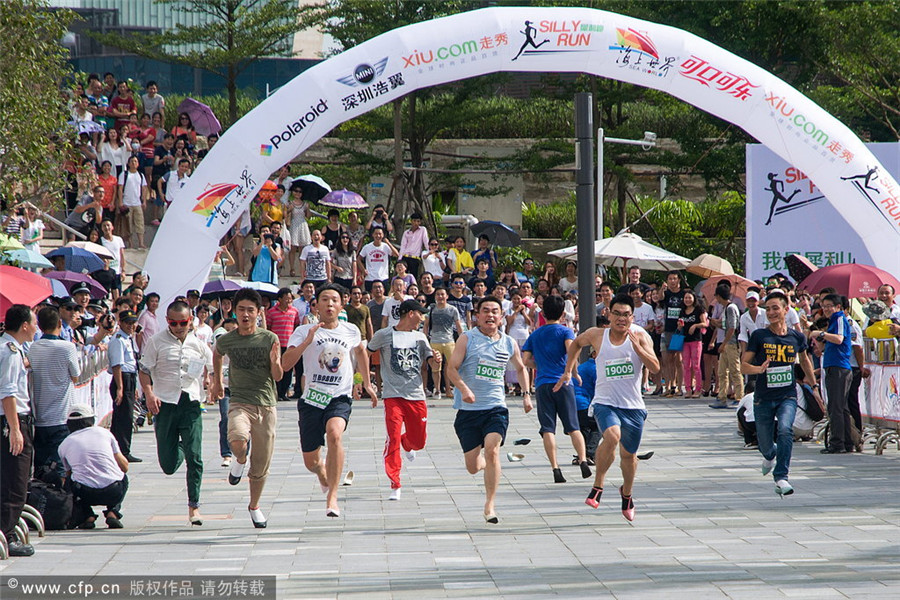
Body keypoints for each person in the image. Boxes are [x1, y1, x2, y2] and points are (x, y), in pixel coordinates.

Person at [559, 294, 660, 521]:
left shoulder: (641, 336)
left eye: (626, 315)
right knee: (612, 436)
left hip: (633, 406)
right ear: (608, 314)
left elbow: (654, 367)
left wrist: (639, 349)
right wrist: (569, 371)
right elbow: (575, 343)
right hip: (605, 402)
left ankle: (627, 494)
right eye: (617, 314)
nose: (621, 319)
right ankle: (598, 486)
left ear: (632, 317)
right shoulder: (597, 335)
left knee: (629, 456)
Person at [281, 284, 376, 517]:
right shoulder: (304, 331)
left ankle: (332, 497)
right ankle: (322, 472)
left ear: (341, 304)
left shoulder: (350, 330)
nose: (330, 304)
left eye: (334, 300)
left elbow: (361, 352)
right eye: (325, 299)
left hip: (338, 398)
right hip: (312, 400)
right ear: (317, 304)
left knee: (335, 435)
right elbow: (285, 364)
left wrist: (366, 383)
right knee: (311, 462)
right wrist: (307, 341)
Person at [446, 297, 532, 524]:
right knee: (473, 467)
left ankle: (490, 505)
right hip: (468, 411)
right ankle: (482, 463)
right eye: (485, 311)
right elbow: (451, 368)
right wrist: (463, 388)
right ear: (477, 315)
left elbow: (521, 368)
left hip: (496, 408)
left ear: (501, 316)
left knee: (493, 449)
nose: (490, 315)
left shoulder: (508, 342)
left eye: (495, 311)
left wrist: (526, 394)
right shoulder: (467, 339)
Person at [210, 288, 283, 528]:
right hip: (239, 401)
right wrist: (217, 381)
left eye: (250, 310)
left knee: (261, 464)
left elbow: (278, 376)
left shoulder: (269, 339)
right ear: (235, 311)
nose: (245, 314)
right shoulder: (227, 339)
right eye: (241, 309)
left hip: (266, 405)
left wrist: (274, 363)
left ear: (258, 313)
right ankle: (239, 460)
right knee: (238, 439)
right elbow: (217, 354)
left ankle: (254, 506)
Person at [139, 300, 213, 525]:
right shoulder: (156, 341)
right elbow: (144, 370)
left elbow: (213, 362)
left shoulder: (198, 343)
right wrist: (149, 394)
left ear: (190, 321)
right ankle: (180, 446)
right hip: (165, 405)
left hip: (190, 404)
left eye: (183, 322)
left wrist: (212, 379)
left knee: (196, 458)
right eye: (174, 323)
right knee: (169, 465)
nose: (179, 327)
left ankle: (194, 506)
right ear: (167, 321)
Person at [741, 291, 817, 495]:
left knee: (785, 430)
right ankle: (769, 455)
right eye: (768, 309)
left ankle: (781, 477)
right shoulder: (759, 336)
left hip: (787, 395)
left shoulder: (797, 337)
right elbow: (743, 366)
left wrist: (814, 385)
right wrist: (759, 369)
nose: (771, 312)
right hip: (763, 397)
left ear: (786, 309)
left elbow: (805, 361)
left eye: (776, 308)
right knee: (765, 444)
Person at [368, 299, 441, 499]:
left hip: (416, 395)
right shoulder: (383, 335)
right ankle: (395, 483)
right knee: (392, 438)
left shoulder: (420, 337)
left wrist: (436, 361)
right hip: (393, 396)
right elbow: (364, 354)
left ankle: (407, 444)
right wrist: (361, 381)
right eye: (421, 314)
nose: (423, 318)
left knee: (418, 442)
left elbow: (431, 365)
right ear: (410, 313)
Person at [522, 295, 591, 483]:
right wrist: (573, 372)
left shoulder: (535, 334)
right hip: (564, 383)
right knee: (573, 426)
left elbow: (526, 360)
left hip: (543, 383)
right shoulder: (565, 331)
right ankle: (583, 460)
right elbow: (572, 351)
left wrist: (541, 366)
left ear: (543, 313)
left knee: (548, 429)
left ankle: (555, 468)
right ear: (562, 313)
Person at [0, 305, 38, 556]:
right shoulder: (11, 352)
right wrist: (15, 429)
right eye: (33, 322)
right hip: (12, 419)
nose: (36, 327)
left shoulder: (9, 349)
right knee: (15, 481)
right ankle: (7, 534)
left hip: (8, 419)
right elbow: (8, 393)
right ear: (24, 325)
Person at [28, 306, 81, 476]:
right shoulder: (67, 347)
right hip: (61, 414)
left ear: (40, 326)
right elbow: (76, 376)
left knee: (41, 465)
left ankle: (40, 498)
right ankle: (61, 499)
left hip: (40, 415)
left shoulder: (33, 348)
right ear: (59, 323)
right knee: (61, 464)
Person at [58, 404, 129, 530]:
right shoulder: (105, 433)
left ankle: (87, 515)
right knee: (124, 478)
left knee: (70, 482)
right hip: (113, 490)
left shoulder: (64, 444)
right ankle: (113, 512)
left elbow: (68, 474)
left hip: (84, 492)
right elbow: (124, 467)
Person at [817, 293, 854, 454]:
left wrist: (821, 334)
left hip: (839, 367)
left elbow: (839, 339)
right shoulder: (834, 320)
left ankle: (837, 443)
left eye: (829, 306)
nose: (825, 309)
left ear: (838, 307)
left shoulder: (839, 318)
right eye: (823, 306)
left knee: (836, 407)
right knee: (841, 407)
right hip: (836, 366)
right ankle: (847, 442)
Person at [108, 309, 142, 463]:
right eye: (127, 323)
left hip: (129, 378)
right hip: (122, 379)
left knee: (125, 416)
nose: (131, 326)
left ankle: (120, 449)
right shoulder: (118, 339)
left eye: (133, 323)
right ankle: (123, 450)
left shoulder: (128, 338)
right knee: (124, 417)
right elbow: (117, 365)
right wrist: (120, 388)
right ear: (120, 323)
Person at [425, 287, 463, 399]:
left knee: (452, 366)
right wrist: (425, 338)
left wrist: (462, 339)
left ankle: (450, 389)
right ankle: (437, 390)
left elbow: (458, 325)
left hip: (449, 341)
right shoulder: (431, 308)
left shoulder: (452, 309)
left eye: (442, 294)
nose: (440, 297)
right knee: (436, 367)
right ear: (435, 296)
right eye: (438, 294)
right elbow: (426, 325)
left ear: (447, 296)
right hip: (434, 341)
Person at [709, 284, 743, 409]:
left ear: (718, 296)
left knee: (735, 371)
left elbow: (733, 328)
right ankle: (721, 397)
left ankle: (739, 397)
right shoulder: (725, 308)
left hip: (732, 343)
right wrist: (716, 324)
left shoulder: (731, 308)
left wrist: (724, 344)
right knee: (722, 371)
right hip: (726, 343)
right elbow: (727, 326)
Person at [267, 288, 300, 402]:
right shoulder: (271, 312)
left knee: (288, 370)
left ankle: (283, 392)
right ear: (280, 299)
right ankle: (277, 392)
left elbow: (296, 326)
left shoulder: (294, 311)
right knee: (277, 368)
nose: (288, 301)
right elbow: (269, 328)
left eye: (290, 299)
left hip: (289, 345)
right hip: (277, 345)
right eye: (286, 299)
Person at [679, 290, 708, 398]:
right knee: (686, 365)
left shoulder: (698, 309)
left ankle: (698, 388)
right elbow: (680, 325)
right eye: (686, 298)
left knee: (696, 365)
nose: (687, 300)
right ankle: (688, 388)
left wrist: (695, 325)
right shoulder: (682, 311)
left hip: (696, 340)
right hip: (685, 340)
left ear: (694, 298)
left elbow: (705, 323)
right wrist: (680, 325)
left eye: (689, 298)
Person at [661, 271, 686, 396]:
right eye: (670, 279)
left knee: (679, 359)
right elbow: (659, 298)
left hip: (679, 330)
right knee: (669, 358)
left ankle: (680, 386)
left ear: (679, 280)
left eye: (674, 278)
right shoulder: (666, 294)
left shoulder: (684, 294)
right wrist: (662, 289)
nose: (672, 281)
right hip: (668, 329)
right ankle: (670, 385)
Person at [117, 155, 148, 249]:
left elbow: (144, 188)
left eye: (135, 161)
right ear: (129, 163)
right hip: (127, 203)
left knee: (140, 223)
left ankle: (141, 243)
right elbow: (120, 188)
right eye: (132, 161)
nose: (134, 163)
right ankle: (130, 244)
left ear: (138, 164)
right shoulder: (124, 174)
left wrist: (144, 201)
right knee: (128, 225)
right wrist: (121, 202)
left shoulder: (141, 175)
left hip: (137, 202)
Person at [358, 227, 398, 292]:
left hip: (383, 277)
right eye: (376, 234)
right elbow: (358, 259)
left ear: (383, 235)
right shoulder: (367, 247)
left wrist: (388, 243)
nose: (378, 236)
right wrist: (363, 269)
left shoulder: (386, 246)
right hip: (370, 277)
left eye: (380, 234)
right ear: (373, 235)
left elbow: (396, 255)